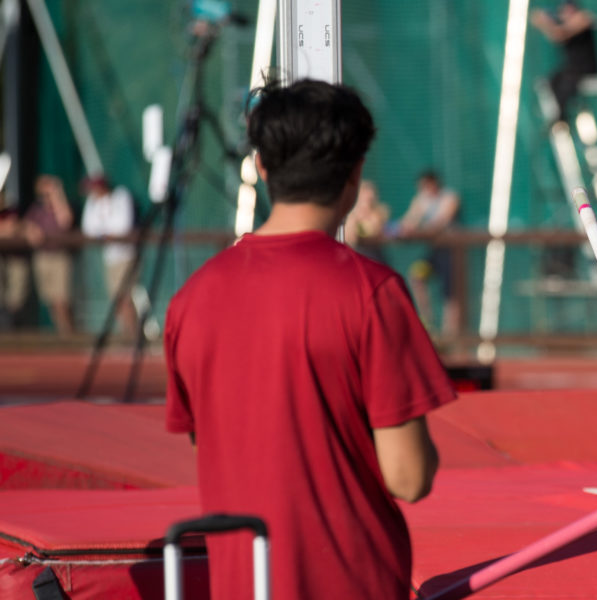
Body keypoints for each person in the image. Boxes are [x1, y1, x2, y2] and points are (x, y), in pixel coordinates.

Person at [164, 80, 456, 600]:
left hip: (241, 582)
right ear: (355, 173)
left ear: (264, 169)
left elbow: (206, 441)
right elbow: (409, 477)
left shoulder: (191, 300)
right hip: (350, 580)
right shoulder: (372, 293)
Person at [393, 170, 461, 337]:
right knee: (416, 276)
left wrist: (416, 228)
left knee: (450, 294)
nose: (424, 190)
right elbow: (410, 219)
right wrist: (403, 227)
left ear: (433, 184)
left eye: (426, 186)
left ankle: (450, 334)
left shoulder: (450, 198)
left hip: (452, 252)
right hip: (434, 253)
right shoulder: (421, 200)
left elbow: (440, 221)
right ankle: (428, 323)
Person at [80, 174, 139, 337]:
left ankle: (133, 336)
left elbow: (122, 227)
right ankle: (128, 335)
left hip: (126, 256)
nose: (91, 192)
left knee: (124, 298)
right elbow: (89, 229)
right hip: (110, 258)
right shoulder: (94, 203)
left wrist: (103, 232)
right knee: (117, 299)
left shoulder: (121, 196)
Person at [23, 175, 76, 335]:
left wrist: (57, 194)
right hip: (42, 257)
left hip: (59, 256)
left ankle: (68, 334)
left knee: (61, 300)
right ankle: (62, 333)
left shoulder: (62, 206)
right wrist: (30, 230)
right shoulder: (36, 210)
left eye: (48, 192)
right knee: (51, 300)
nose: (45, 196)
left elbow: (65, 220)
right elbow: (26, 226)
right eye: (43, 193)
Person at [531, 1, 597, 123]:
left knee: (565, 86)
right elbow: (556, 36)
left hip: (586, 67)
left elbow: (560, 34)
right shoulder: (565, 25)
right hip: (572, 68)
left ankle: (560, 119)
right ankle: (559, 119)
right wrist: (544, 23)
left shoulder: (583, 18)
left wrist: (544, 22)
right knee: (551, 82)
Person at [343, 179, 390, 263]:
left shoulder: (379, 213)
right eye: (365, 198)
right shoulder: (351, 215)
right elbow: (350, 238)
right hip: (355, 256)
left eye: (371, 199)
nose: (367, 201)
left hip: (374, 257)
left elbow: (378, 233)